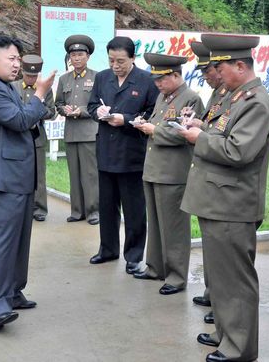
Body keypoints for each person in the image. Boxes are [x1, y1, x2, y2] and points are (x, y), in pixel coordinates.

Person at [179, 33, 269, 362]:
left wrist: (196, 138)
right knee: (219, 277)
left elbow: (238, 151)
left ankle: (239, 349)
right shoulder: (235, 98)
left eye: (220, 66)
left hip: (233, 205)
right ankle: (225, 332)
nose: (216, 73)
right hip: (217, 201)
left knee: (235, 282)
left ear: (240, 66)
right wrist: (200, 129)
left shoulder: (255, 102)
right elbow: (221, 134)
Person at [0, 35, 56, 332]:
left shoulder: (4, 86)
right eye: (12, 59)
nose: (18, 64)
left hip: (17, 177)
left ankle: (12, 292)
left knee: (19, 241)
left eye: (19, 59)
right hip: (0, 180)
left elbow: (25, 119)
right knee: (0, 244)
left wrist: (32, 107)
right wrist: (40, 94)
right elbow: (21, 121)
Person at [132, 53, 203, 296]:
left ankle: (176, 274)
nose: (157, 84)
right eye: (156, 80)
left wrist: (154, 130)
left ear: (175, 75)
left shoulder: (191, 99)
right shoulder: (164, 97)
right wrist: (145, 125)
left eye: (162, 79)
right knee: (156, 222)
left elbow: (185, 133)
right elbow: (160, 125)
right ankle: (155, 266)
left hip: (173, 171)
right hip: (154, 168)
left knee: (174, 226)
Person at [87, 36, 159, 274]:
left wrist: (126, 120)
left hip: (131, 152)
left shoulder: (147, 80)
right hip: (106, 150)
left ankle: (134, 255)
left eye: (120, 61)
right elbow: (90, 105)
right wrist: (99, 111)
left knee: (134, 208)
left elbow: (152, 113)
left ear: (132, 58)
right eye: (111, 60)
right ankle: (107, 249)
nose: (115, 66)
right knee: (107, 206)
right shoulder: (102, 77)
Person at [186, 41, 230, 323]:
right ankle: (212, 291)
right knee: (212, 246)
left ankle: (221, 302)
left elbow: (226, 138)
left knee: (225, 252)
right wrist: (198, 123)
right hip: (209, 175)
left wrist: (201, 131)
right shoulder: (218, 93)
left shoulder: (235, 97)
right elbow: (213, 125)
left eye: (209, 70)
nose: (207, 76)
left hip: (225, 182)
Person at [55, 35, 100, 225]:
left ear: (88, 56)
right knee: (73, 173)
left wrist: (80, 111)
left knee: (90, 174)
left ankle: (93, 211)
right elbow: (58, 102)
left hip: (89, 133)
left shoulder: (96, 77)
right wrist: (63, 109)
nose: (77, 58)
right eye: (73, 55)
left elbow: (99, 105)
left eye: (80, 54)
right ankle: (77, 211)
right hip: (71, 132)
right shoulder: (64, 79)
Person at [12, 54, 57, 222]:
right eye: (28, 75)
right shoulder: (13, 87)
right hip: (17, 138)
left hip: (37, 137)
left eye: (34, 75)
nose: (31, 78)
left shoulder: (45, 89)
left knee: (39, 175)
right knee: (18, 175)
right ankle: (20, 208)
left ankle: (40, 209)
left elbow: (52, 112)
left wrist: (36, 113)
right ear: (21, 72)